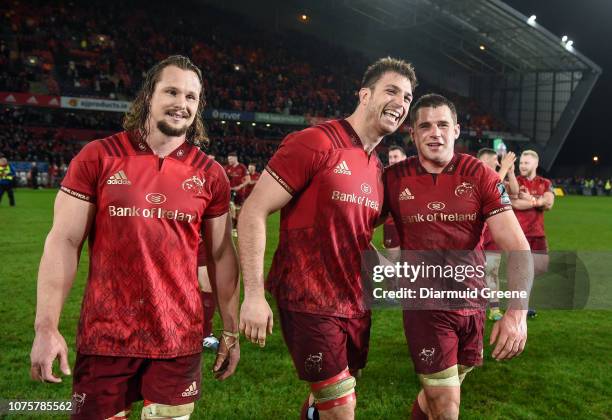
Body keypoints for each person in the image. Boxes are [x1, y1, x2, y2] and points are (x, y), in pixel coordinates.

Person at [29, 55, 240, 420]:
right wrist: (46, 327)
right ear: (149, 96)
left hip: (179, 337)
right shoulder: (99, 157)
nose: (182, 104)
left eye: (191, 97)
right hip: (106, 336)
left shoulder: (211, 174)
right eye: (171, 91)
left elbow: (221, 254)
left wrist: (231, 329)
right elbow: (63, 241)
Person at [238, 57, 417, 420]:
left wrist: (387, 269)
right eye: (392, 91)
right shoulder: (314, 142)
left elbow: (357, 236)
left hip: (353, 303)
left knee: (334, 395)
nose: (401, 103)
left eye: (409, 98)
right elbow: (253, 211)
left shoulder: (375, 168)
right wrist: (253, 296)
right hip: (308, 299)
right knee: (341, 406)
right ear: (365, 95)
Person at [382, 94, 531, 420]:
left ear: (456, 130)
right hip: (426, 305)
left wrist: (516, 314)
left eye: (442, 125)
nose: (434, 132)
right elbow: (353, 223)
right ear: (413, 134)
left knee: (437, 397)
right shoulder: (392, 180)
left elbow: (518, 246)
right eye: (425, 126)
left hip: (472, 302)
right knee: (448, 407)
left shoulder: (482, 176)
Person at [511, 150, 555, 318]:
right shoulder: (516, 182)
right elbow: (515, 204)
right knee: (522, 269)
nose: (522, 166)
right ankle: (521, 305)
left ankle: (521, 299)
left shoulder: (545, 182)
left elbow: (549, 203)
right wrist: (537, 202)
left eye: (526, 163)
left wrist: (530, 200)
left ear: (535, 164)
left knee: (541, 267)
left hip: (538, 233)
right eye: (521, 162)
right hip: (520, 233)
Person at [477, 148, 519, 321]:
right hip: (473, 236)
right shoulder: (476, 178)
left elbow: (514, 192)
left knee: (491, 271)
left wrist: (510, 172)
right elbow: (490, 188)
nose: (498, 163)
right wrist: (504, 168)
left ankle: (494, 308)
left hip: (493, 235)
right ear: (483, 161)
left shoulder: (499, 178)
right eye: (494, 160)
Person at [383, 146, 407, 257]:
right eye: (390, 157)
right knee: (393, 260)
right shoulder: (383, 177)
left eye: (395, 156)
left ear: (404, 158)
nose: (392, 160)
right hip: (391, 225)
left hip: (411, 225)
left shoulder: (414, 176)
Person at [224, 152, 250, 234]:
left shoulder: (242, 167)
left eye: (231, 159)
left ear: (235, 158)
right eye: (228, 159)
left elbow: (248, 180)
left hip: (240, 193)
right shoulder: (227, 168)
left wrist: (240, 186)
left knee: (238, 211)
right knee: (231, 208)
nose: (229, 161)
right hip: (230, 192)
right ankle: (232, 227)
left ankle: (237, 227)